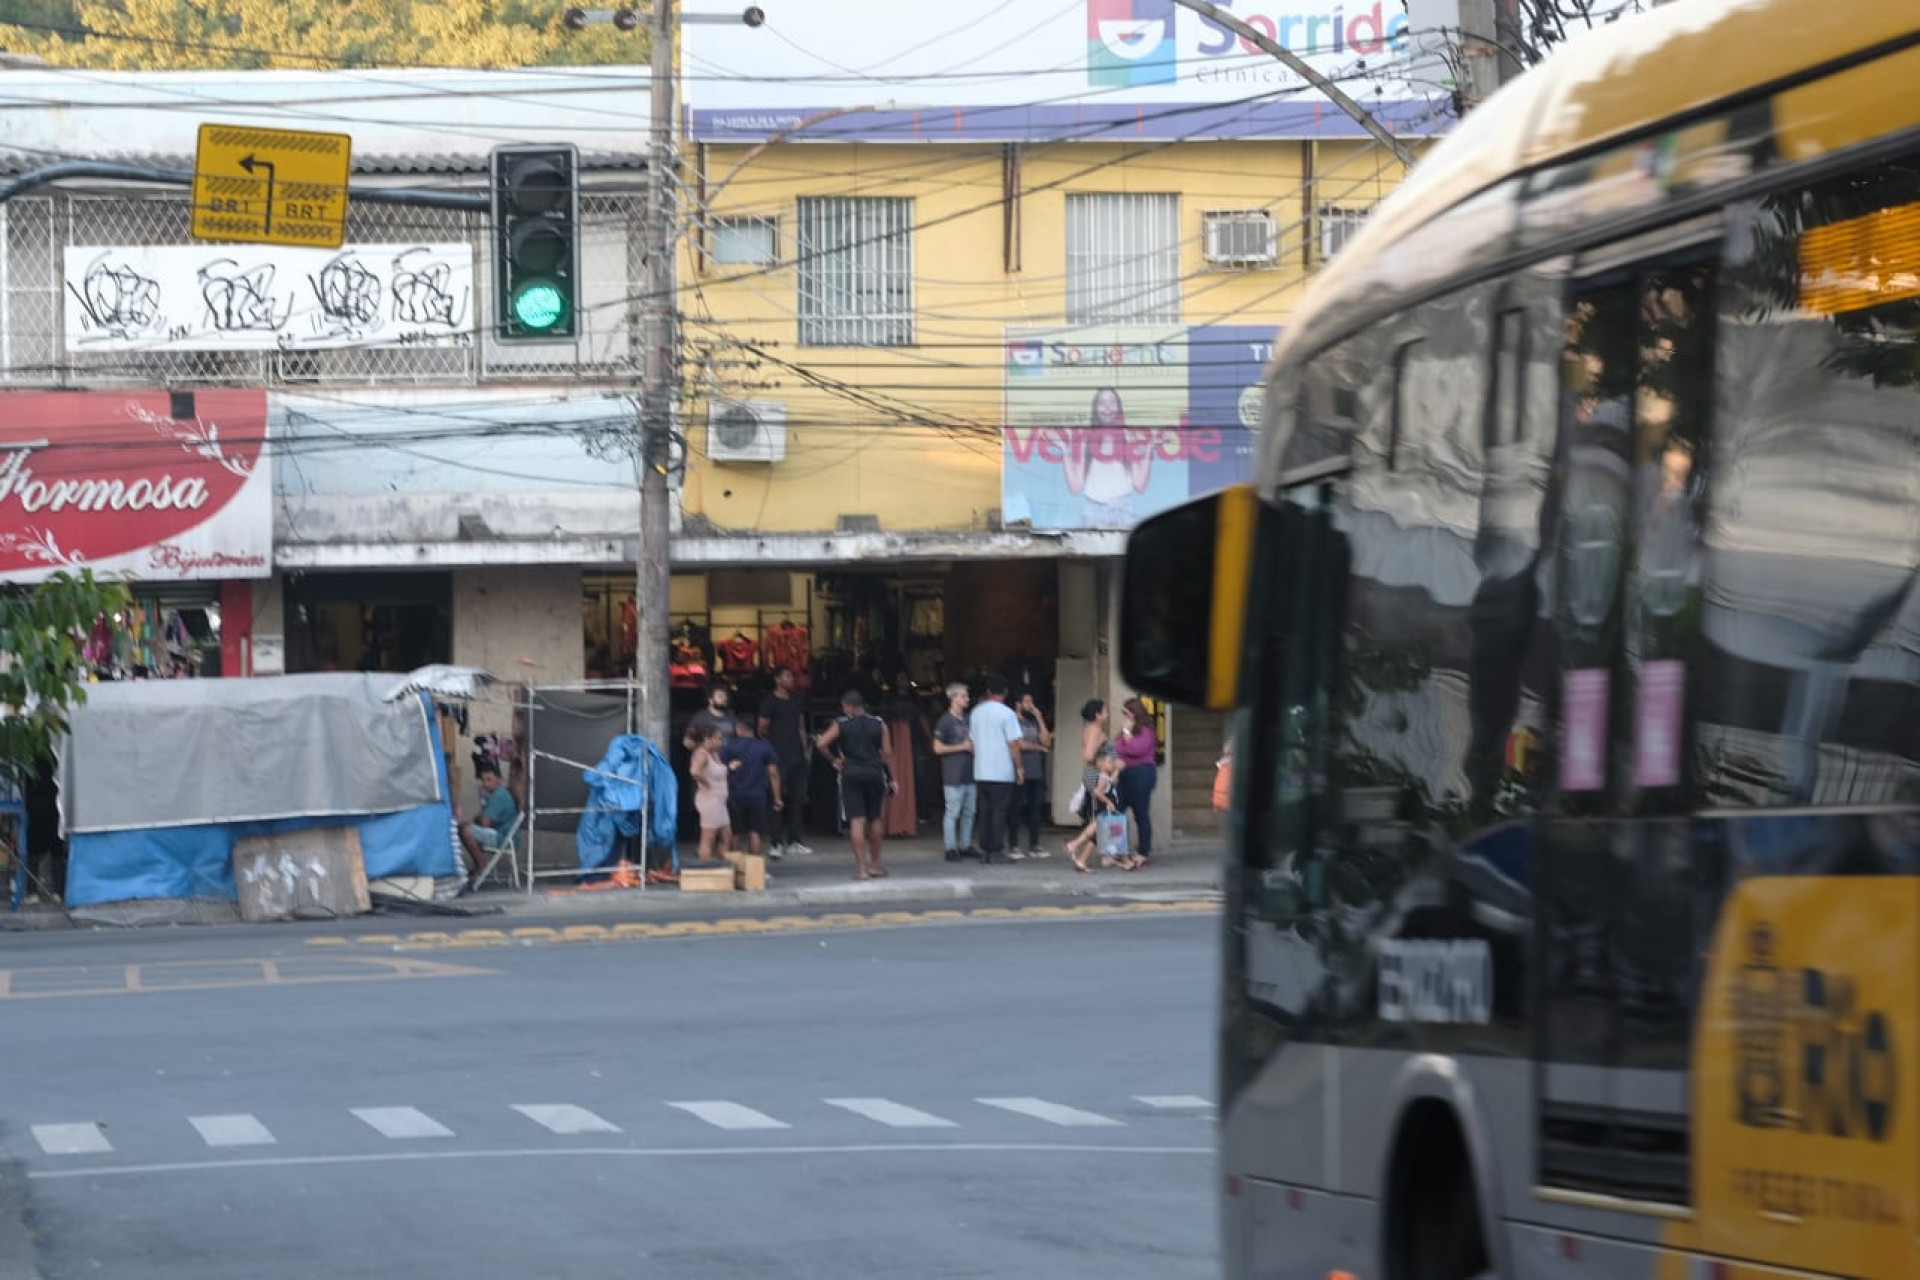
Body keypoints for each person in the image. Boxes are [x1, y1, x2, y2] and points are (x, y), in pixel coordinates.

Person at [813, 689, 895, 881]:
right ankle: (875, 865)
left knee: (857, 820)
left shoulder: (841, 724)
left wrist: (834, 760)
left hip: (851, 773)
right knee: (875, 819)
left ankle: (862, 870)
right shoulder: (879, 723)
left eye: (843, 707)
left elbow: (821, 744)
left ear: (849, 707)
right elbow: (888, 753)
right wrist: (893, 778)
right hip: (875, 773)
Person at [967, 672, 1025, 865]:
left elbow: (972, 742)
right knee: (999, 811)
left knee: (984, 811)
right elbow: (1014, 744)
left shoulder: (976, 712)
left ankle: (985, 850)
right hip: (1001, 771)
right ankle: (996, 850)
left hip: (981, 770)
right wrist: (1019, 767)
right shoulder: (1007, 714)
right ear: (1005, 692)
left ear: (988, 691)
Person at [756, 666, 812, 857]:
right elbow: (762, 729)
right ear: (778, 680)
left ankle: (795, 840)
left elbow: (801, 727)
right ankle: (776, 842)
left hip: (796, 755)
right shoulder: (769, 702)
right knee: (776, 799)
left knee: (797, 798)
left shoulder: (797, 700)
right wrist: (768, 752)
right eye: (787, 676)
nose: (791, 679)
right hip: (777, 756)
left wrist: (804, 751)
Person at [1066, 751, 1137, 872]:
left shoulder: (1105, 777)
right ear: (1101, 765)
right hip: (1105, 811)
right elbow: (1098, 792)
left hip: (1104, 811)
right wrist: (1109, 802)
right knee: (1097, 836)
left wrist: (1117, 771)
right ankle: (1080, 856)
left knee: (1097, 833)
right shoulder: (1103, 778)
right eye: (1109, 762)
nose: (1112, 764)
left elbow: (1111, 782)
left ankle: (1075, 846)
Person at [723, 717, 782, 860]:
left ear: (738, 729)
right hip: (757, 794)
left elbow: (720, 769)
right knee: (755, 831)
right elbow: (773, 773)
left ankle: (735, 867)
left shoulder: (729, 746)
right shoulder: (764, 746)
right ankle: (755, 868)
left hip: (735, 793)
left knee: (735, 832)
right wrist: (777, 798)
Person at [932, 681, 976, 863]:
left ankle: (965, 845)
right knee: (953, 812)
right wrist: (962, 746)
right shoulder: (944, 721)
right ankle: (950, 848)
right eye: (964, 695)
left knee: (969, 812)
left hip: (969, 773)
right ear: (953, 698)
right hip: (953, 774)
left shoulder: (968, 720)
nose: (967, 699)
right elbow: (937, 748)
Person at [1115, 696, 1159, 866]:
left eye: (1126, 713)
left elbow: (1136, 749)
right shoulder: (1125, 731)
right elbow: (1117, 747)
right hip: (1125, 774)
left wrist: (1127, 734)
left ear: (1135, 714)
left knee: (1141, 814)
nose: (1124, 716)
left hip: (1142, 774)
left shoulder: (1146, 731)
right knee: (1117, 810)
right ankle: (1118, 849)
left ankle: (1143, 851)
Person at [458, 762, 518, 879]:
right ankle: (479, 865)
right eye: (483, 780)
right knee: (464, 827)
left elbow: (484, 823)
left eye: (489, 780)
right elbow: (481, 820)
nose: (485, 783)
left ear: (498, 780)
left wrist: (480, 813)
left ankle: (482, 866)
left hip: (503, 837)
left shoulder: (499, 795)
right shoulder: (494, 795)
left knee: (465, 830)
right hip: (501, 835)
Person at [1014, 691, 1052, 858]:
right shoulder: (1013, 721)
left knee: (1035, 809)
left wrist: (1039, 717)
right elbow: (1019, 744)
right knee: (1015, 808)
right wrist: (1038, 748)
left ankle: (1034, 845)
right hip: (1020, 769)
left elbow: (1046, 741)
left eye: (1032, 701)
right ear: (1018, 704)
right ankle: (1013, 845)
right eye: (1026, 701)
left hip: (1036, 771)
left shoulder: (1032, 722)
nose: (1030, 704)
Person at [690, 725, 732, 862]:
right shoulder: (702, 754)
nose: (721, 742)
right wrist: (705, 782)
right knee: (709, 837)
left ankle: (723, 866)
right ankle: (705, 868)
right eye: (718, 739)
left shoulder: (715, 754)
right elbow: (695, 771)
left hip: (719, 801)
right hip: (709, 800)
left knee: (726, 836)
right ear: (708, 739)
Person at [1076, 698, 1116, 825]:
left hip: (1092, 774)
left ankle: (1088, 841)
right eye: (1104, 712)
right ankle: (1078, 843)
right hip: (1097, 776)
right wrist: (1103, 763)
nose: (1107, 714)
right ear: (1097, 715)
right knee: (1102, 815)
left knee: (1098, 814)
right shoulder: (1096, 731)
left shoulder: (1089, 728)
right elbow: (1088, 755)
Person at [684, 681, 735, 751]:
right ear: (710, 700)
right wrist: (704, 749)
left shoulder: (730, 715)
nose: (724, 699)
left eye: (725, 695)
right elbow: (687, 742)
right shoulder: (701, 718)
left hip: (728, 758)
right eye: (720, 696)